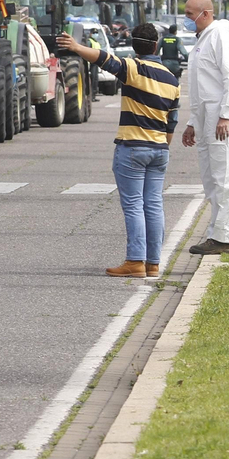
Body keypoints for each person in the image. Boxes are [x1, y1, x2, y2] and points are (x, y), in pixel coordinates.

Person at [56, 22, 180, 278]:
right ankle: (153, 263)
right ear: (156, 45)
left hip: (133, 147)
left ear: (135, 46)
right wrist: (162, 146)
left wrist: (77, 46)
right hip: (159, 150)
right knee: (154, 205)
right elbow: (172, 121)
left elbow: (102, 58)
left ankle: (135, 261)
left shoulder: (133, 68)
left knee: (134, 205)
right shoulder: (172, 79)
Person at [181, 0, 229, 255]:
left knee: (224, 177)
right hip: (208, 118)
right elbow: (200, 89)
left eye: (189, 14)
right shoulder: (202, 41)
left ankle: (224, 236)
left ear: (205, 13)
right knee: (211, 179)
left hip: (222, 120)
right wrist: (192, 122)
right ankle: (215, 233)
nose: (186, 19)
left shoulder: (221, 35)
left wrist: (226, 114)